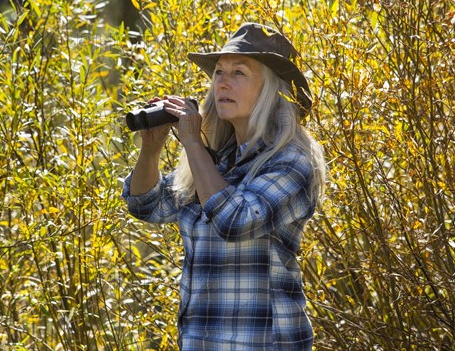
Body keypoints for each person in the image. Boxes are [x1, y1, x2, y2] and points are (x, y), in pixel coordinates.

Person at [121, 22, 327, 350]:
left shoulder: (293, 163)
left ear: (272, 90)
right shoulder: (219, 160)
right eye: (219, 72)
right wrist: (151, 146)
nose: (223, 83)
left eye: (239, 73)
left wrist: (191, 142)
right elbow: (148, 204)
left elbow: (234, 221)